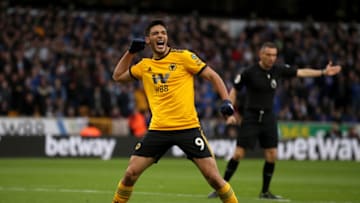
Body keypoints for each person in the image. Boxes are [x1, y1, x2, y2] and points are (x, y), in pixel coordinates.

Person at [111, 20, 238, 203]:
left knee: (214, 179)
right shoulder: (145, 66)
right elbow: (117, 76)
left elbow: (212, 75)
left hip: (188, 128)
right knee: (130, 173)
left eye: (163, 33)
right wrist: (130, 53)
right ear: (148, 40)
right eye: (155, 33)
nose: (160, 36)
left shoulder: (184, 57)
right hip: (158, 130)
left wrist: (226, 100)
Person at [208, 42, 342, 200]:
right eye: (269, 55)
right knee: (238, 154)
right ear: (261, 55)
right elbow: (234, 91)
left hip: (269, 117)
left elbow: (300, 72)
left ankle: (265, 192)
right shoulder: (249, 72)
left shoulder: (278, 69)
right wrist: (229, 114)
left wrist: (323, 72)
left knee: (272, 155)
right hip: (251, 117)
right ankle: (221, 188)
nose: (272, 58)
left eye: (274, 55)